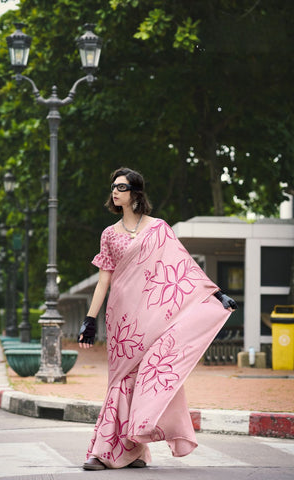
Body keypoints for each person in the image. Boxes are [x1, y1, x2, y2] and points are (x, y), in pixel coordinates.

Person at [78, 167, 237, 471]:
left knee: (147, 373)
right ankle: (108, 452)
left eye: (122, 187)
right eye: (113, 187)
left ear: (136, 193)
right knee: (120, 380)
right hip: (122, 319)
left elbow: (183, 266)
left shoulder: (159, 229)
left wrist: (215, 295)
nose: (115, 191)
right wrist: (90, 318)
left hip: (153, 313)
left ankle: (131, 450)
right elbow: (104, 281)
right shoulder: (109, 234)